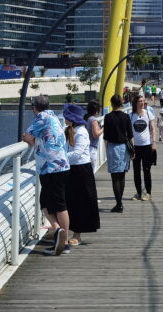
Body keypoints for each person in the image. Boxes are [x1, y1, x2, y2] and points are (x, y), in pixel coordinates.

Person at [22, 95, 71, 255]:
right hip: (61, 165)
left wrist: (31, 139)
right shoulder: (55, 116)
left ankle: (64, 242)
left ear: (34, 107)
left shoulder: (41, 117)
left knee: (56, 204)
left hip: (51, 167)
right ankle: (59, 234)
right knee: (49, 202)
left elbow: (27, 137)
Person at [62, 103, 99, 246]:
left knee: (80, 202)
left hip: (81, 170)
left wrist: (60, 156)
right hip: (72, 169)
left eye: (66, 116)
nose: (64, 118)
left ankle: (77, 235)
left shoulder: (81, 132)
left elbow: (77, 154)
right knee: (70, 201)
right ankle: (63, 231)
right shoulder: (69, 130)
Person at [102, 94, 134, 212]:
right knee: (122, 176)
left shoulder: (108, 117)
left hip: (113, 147)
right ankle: (120, 203)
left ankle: (119, 204)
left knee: (114, 177)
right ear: (121, 103)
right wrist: (132, 149)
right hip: (124, 147)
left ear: (112, 104)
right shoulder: (126, 117)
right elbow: (130, 135)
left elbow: (106, 137)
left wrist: (107, 150)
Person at [129, 94, 157, 201]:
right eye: (139, 101)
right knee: (136, 171)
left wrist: (154, 142)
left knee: (146, 170)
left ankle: (148, 193)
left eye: (143, 101)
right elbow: (129, 132)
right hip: (135, 146)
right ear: (135, 103)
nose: (142, 103)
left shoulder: (148, 114)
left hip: (146, 145)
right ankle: (139, 193)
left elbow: (153, 129)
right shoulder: (131, 116)